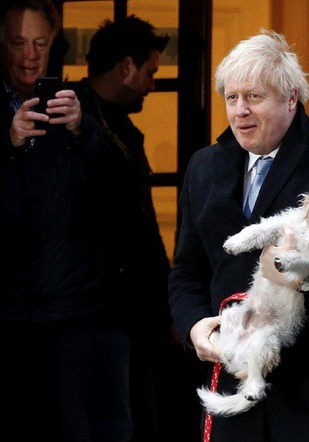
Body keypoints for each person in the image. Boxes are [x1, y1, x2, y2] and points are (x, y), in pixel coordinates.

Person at [168, 29, 309, 441]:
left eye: (254, 97)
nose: (240, 111)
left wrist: (302, 278)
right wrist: (194, 327)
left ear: (291, 97)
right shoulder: (204, 167)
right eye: (232, 98)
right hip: (238, 393)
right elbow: (187, 272)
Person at [0, 1, 132, 440]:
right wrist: (5, 139)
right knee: (3, 429)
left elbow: (124, 184)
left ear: (53, 45)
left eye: (41, 43)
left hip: (73, 311)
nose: (30, 55)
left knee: (72, 430)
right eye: (19, 43)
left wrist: (86, 132)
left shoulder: (79, 103)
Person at [70, 16, 202, 441]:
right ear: (126, 67)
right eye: (149, 72)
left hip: (125, 305)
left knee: (132, 418)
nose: (151, 85)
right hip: (92, 303)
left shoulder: (121, 127)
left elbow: (140, 224)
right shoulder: (75, 119)